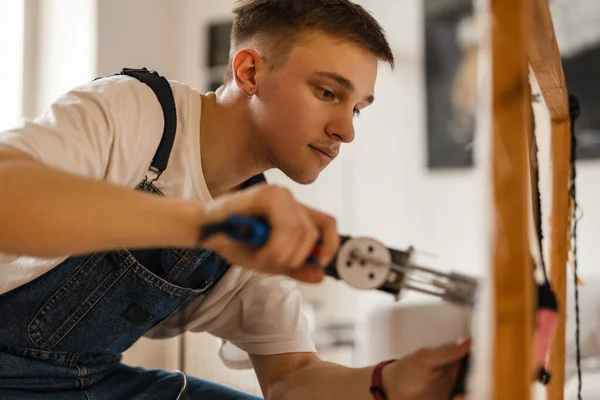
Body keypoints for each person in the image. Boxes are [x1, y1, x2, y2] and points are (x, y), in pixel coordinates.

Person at [0, 0, 470, 399]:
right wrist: (208, 222)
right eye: (328, 92)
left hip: (90, 380)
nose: (345, 130)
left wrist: (387, 383)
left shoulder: (258, 220)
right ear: (249, 72)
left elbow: (292, 380)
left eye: (357, 110)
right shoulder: (135, 111)